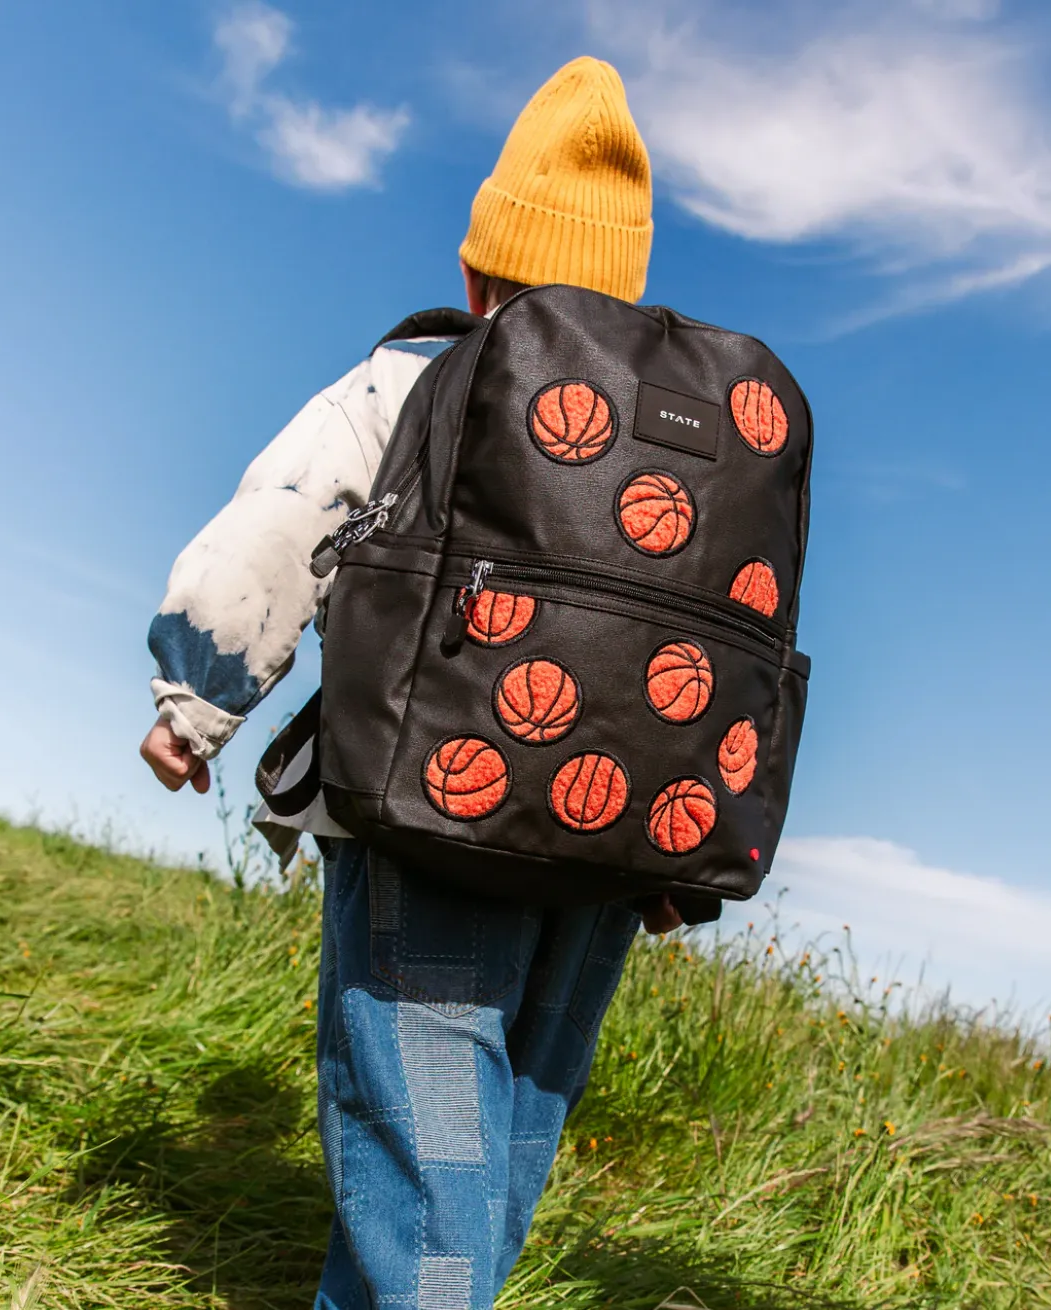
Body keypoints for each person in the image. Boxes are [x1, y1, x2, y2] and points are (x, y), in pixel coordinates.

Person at [141, 56, 673, 1309]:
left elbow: (280, 524)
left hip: (433, 808)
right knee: (510, 1133)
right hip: (603, 845)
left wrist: (196, 700)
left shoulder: (426, 372)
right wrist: (671, 854)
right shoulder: (667, 431)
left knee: (422, 1137)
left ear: (478, 267)